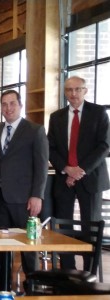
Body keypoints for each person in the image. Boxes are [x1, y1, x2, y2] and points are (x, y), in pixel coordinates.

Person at [47, 76, 110, 270]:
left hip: (90, 179)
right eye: (68, 90)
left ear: (85, 90)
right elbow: (50, 148)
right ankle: (67, 270)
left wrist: (80, 171)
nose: (73, 94)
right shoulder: (56, 117)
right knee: (63, 228)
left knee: (89, 227)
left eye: (77, 89)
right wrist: (67, 169)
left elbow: (104, 145)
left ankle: (90, 272)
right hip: (64, 179)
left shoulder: (98, 113)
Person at [0, 90, 48, 285]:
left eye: (12, 103)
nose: (8, 108)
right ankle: (4, 283)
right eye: (4, 104)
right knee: (2, 244)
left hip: (24, 199)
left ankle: (33, 284)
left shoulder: (35, 130)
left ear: (20, 105)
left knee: (28, 245)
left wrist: (37, 195)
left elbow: (41, 166)